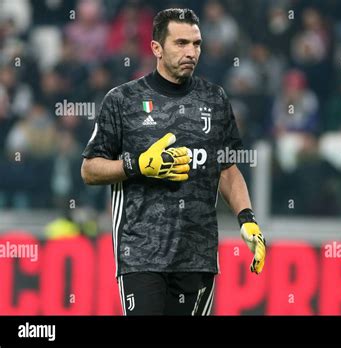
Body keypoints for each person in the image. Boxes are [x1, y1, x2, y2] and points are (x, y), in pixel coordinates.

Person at [80, 8, 266, 316]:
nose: (191, 52)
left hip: (198, 256)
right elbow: (89, 169)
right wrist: (136, 165)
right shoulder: (122, 100)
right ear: (156, 48)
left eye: (196, 44)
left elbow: (227, 169)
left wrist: (247, 218)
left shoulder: (215, 100)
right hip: (140, 255)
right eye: (181, 43)